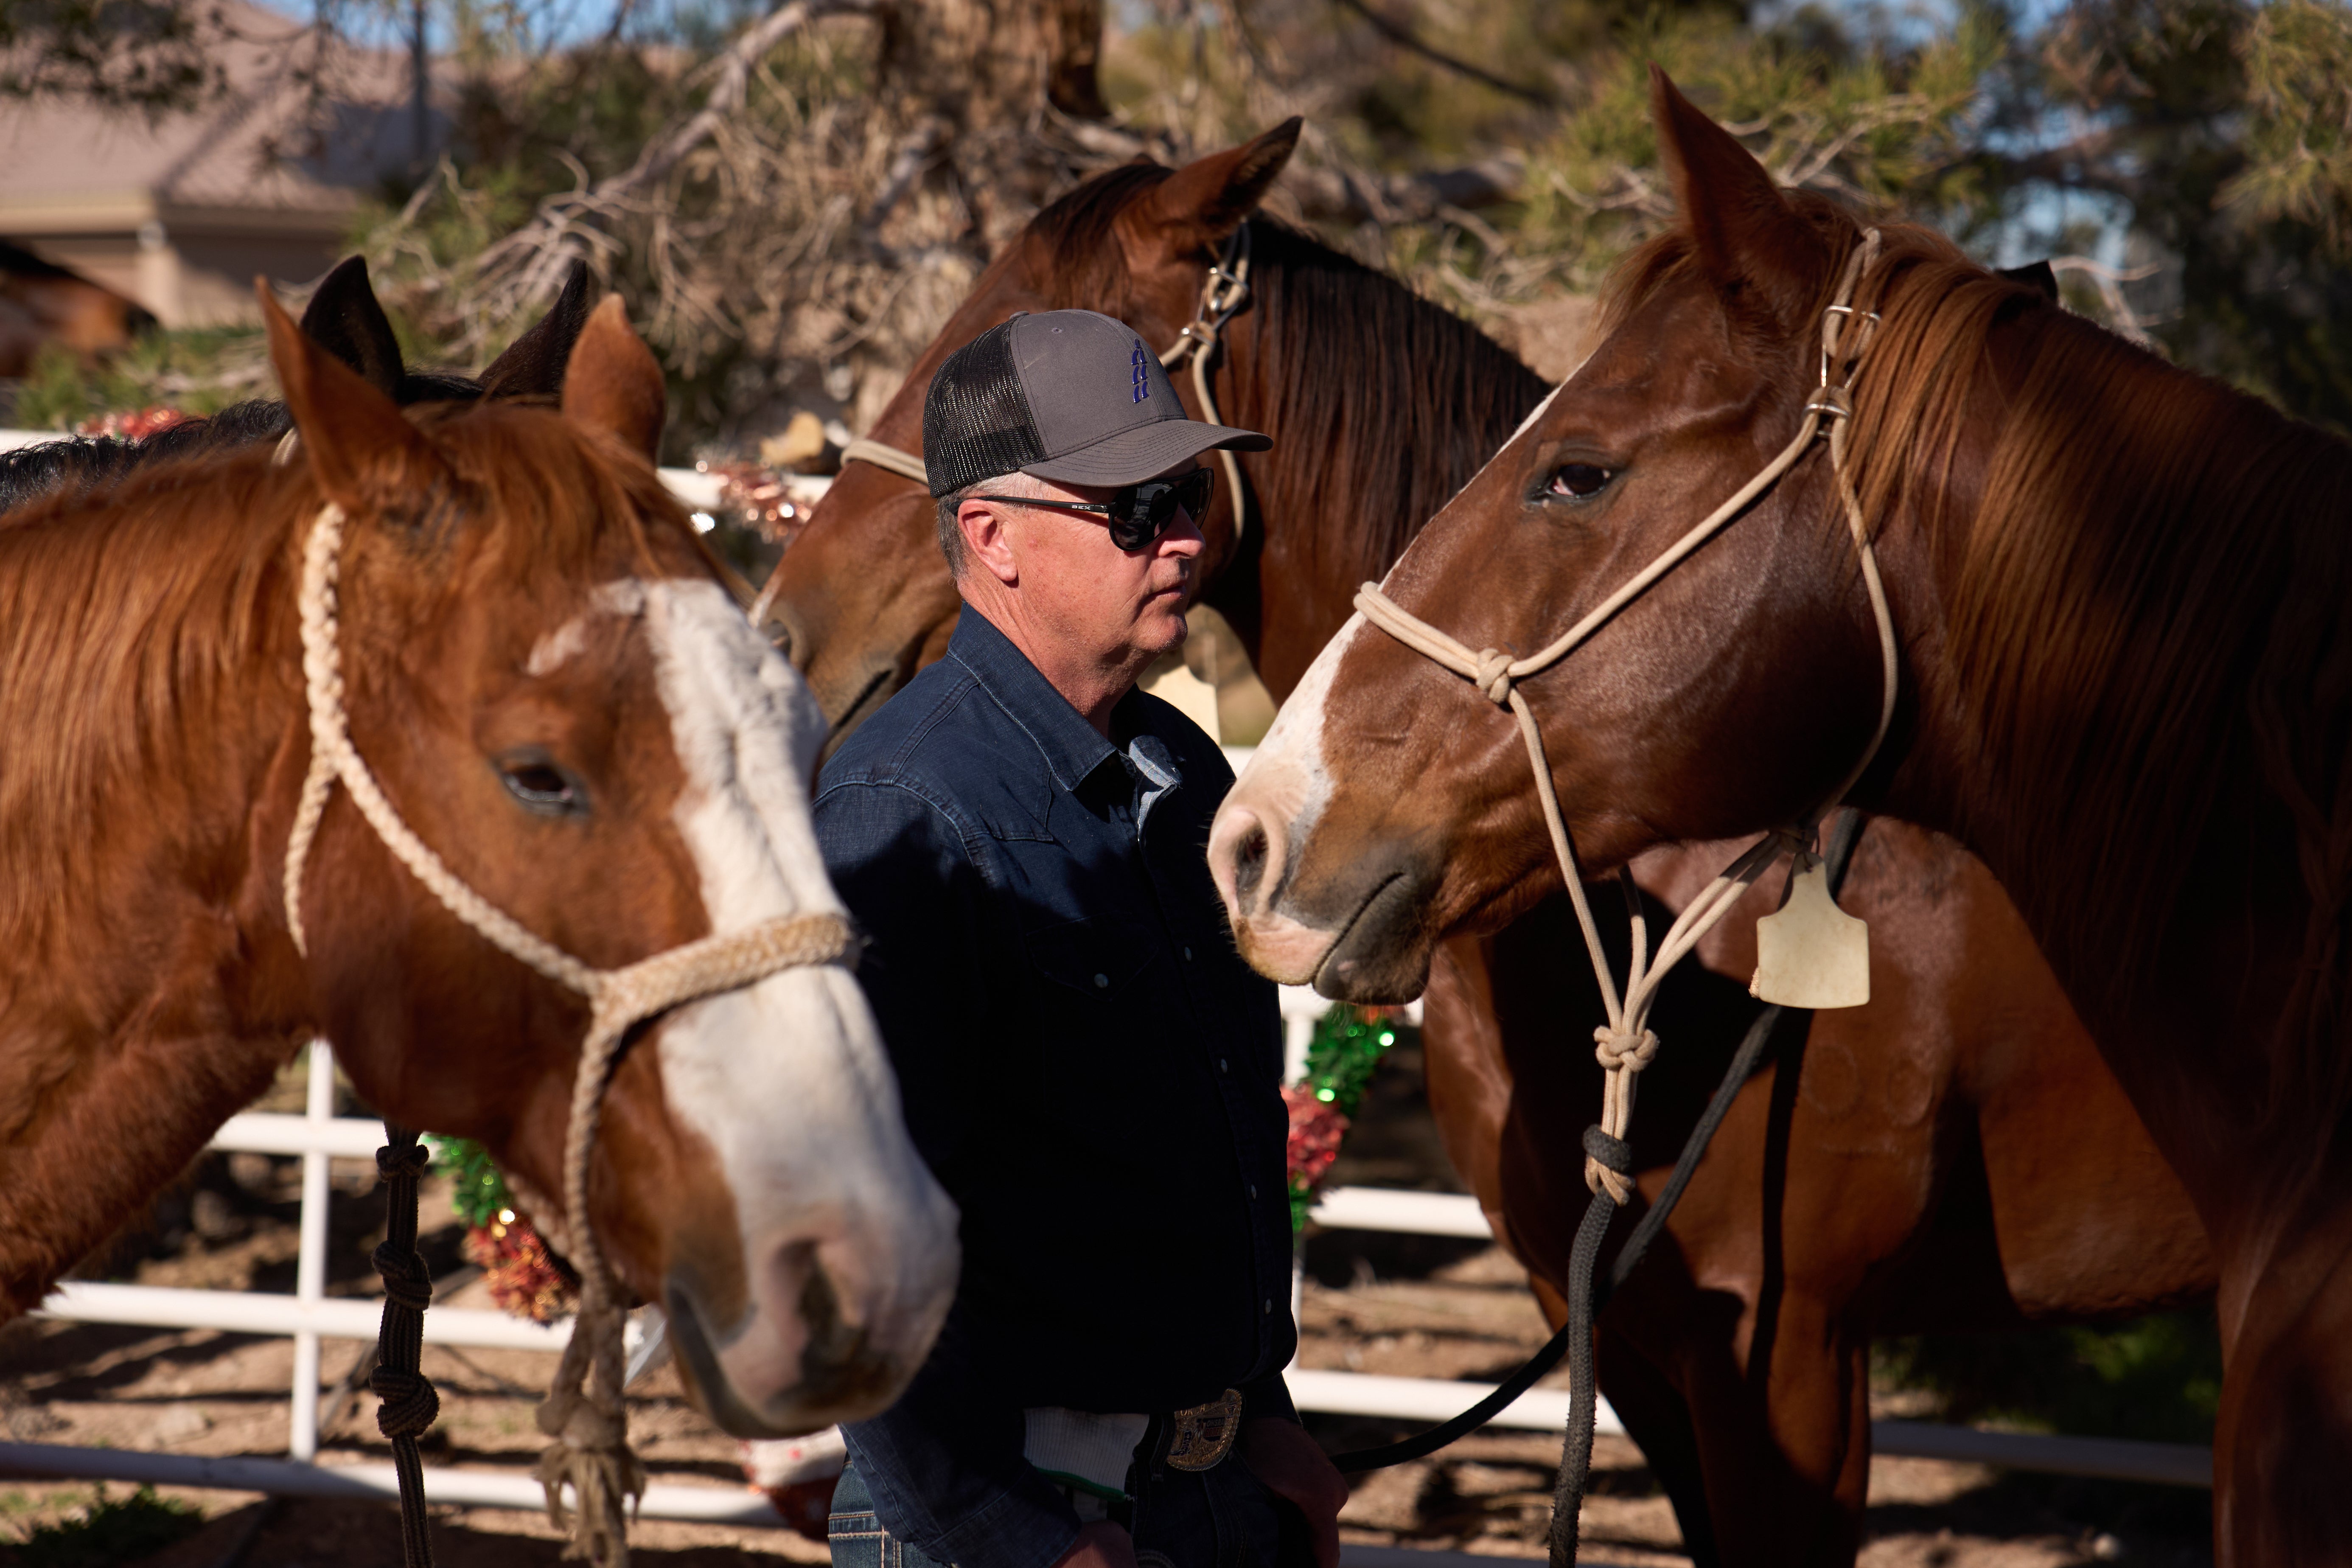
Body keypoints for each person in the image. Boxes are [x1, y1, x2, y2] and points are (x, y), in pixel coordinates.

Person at [813, 308, 1348, 1568]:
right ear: (990, 538)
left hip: (1210, 1501)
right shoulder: (900, 815)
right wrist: (1023, 1540)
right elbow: (850, 1264)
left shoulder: (1180, 770)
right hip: (995, 1526)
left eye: (1184, 495)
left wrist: (1256, 1420)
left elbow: (1215, 1148)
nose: (1181, 535)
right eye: (1131, 507)